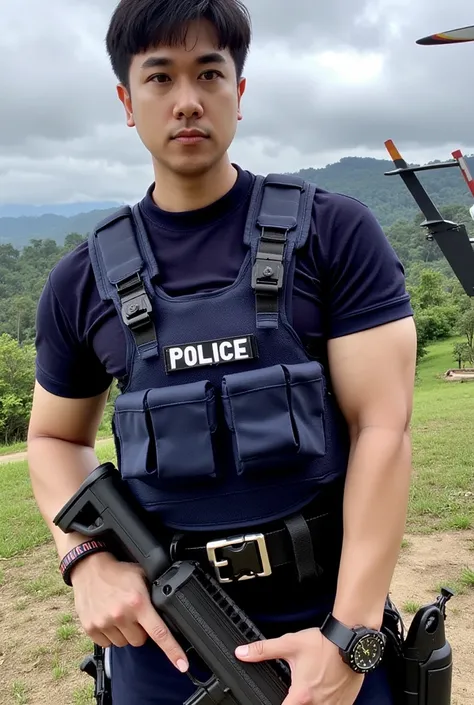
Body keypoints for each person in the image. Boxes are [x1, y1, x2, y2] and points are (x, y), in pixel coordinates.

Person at [27, 1, 417, 704]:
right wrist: (83, 558)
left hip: (323, 628)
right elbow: (55, 437)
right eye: (159, 78)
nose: (186, 101)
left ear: (239, 91)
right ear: (126, 101)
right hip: (164, 645)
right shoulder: (82, 279)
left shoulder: (335, 234)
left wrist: (350, 640)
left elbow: (383, 430)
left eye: (209, 73)